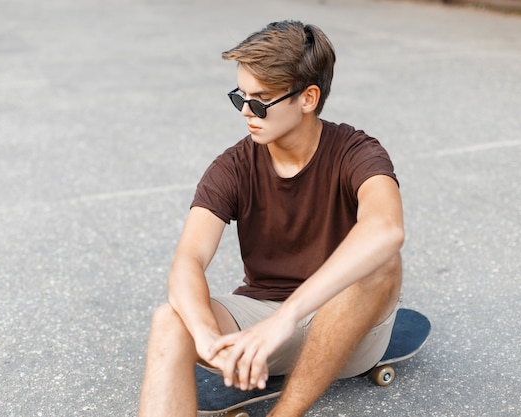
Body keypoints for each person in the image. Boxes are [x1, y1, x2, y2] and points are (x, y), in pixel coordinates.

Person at [137, 20, 404, 417]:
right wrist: (207, 337)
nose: (247, 111)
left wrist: (288, 316)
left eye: (261, 101)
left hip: (346, 327)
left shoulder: (356, 152)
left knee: (383, 262)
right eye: (240, 97)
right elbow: (187, 261)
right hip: (262, 321)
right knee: (169, 318)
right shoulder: (233, 165)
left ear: (308, 98)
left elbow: (387, 228)